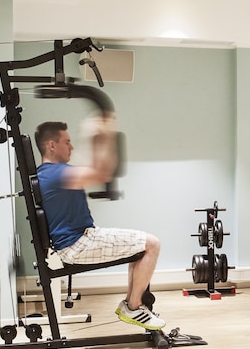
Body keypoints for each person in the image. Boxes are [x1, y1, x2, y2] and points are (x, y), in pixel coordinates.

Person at [34, 117, 165, 331]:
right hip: (78, 245)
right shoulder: (55, 174)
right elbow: (102, 173)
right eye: (67, 142)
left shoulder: (50, 173)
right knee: (152, 244)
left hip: (81, 239)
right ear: (51, 145)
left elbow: (96, 170)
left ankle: (133, 304)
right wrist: (95, 135)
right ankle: (133, 307)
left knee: (141, 247)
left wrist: (99, 139)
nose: (71, 147)